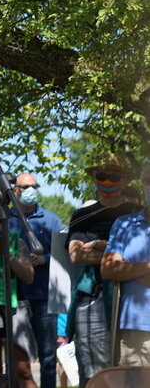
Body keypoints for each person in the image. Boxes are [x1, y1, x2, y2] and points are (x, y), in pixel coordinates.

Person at [66, 154, 143, 387]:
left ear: (124, 180)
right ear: (94, 179)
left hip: (133, 299)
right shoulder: (82, 215)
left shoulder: (136, 212)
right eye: (102, 176)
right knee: (92, 369)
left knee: (128, 367)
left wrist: (99, 247)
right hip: (94, 296)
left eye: (114, 176)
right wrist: (115, 258)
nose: (107, 181)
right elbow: (76, 254)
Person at [9, 173, 64, 388]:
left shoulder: (52, 220)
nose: (30, 190)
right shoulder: (6, 218)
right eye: (25, 187)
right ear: (14, 190)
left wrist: (44, 259)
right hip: (14, 296)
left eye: (34, 186)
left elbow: (64, 253)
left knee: (48, 355)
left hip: (44, 296)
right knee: (17, 359)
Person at [0, 201, 36, 386]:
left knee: (22, 370)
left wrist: (8, 255)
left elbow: (29, 277)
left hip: (15, 308)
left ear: (4, 222)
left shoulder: (16, 242)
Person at [100, 162, 150, 367]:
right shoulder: (124, 224)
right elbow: (108, 269)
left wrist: (128, 269)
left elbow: (117, 269)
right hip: (131, 330)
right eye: (148, 181)